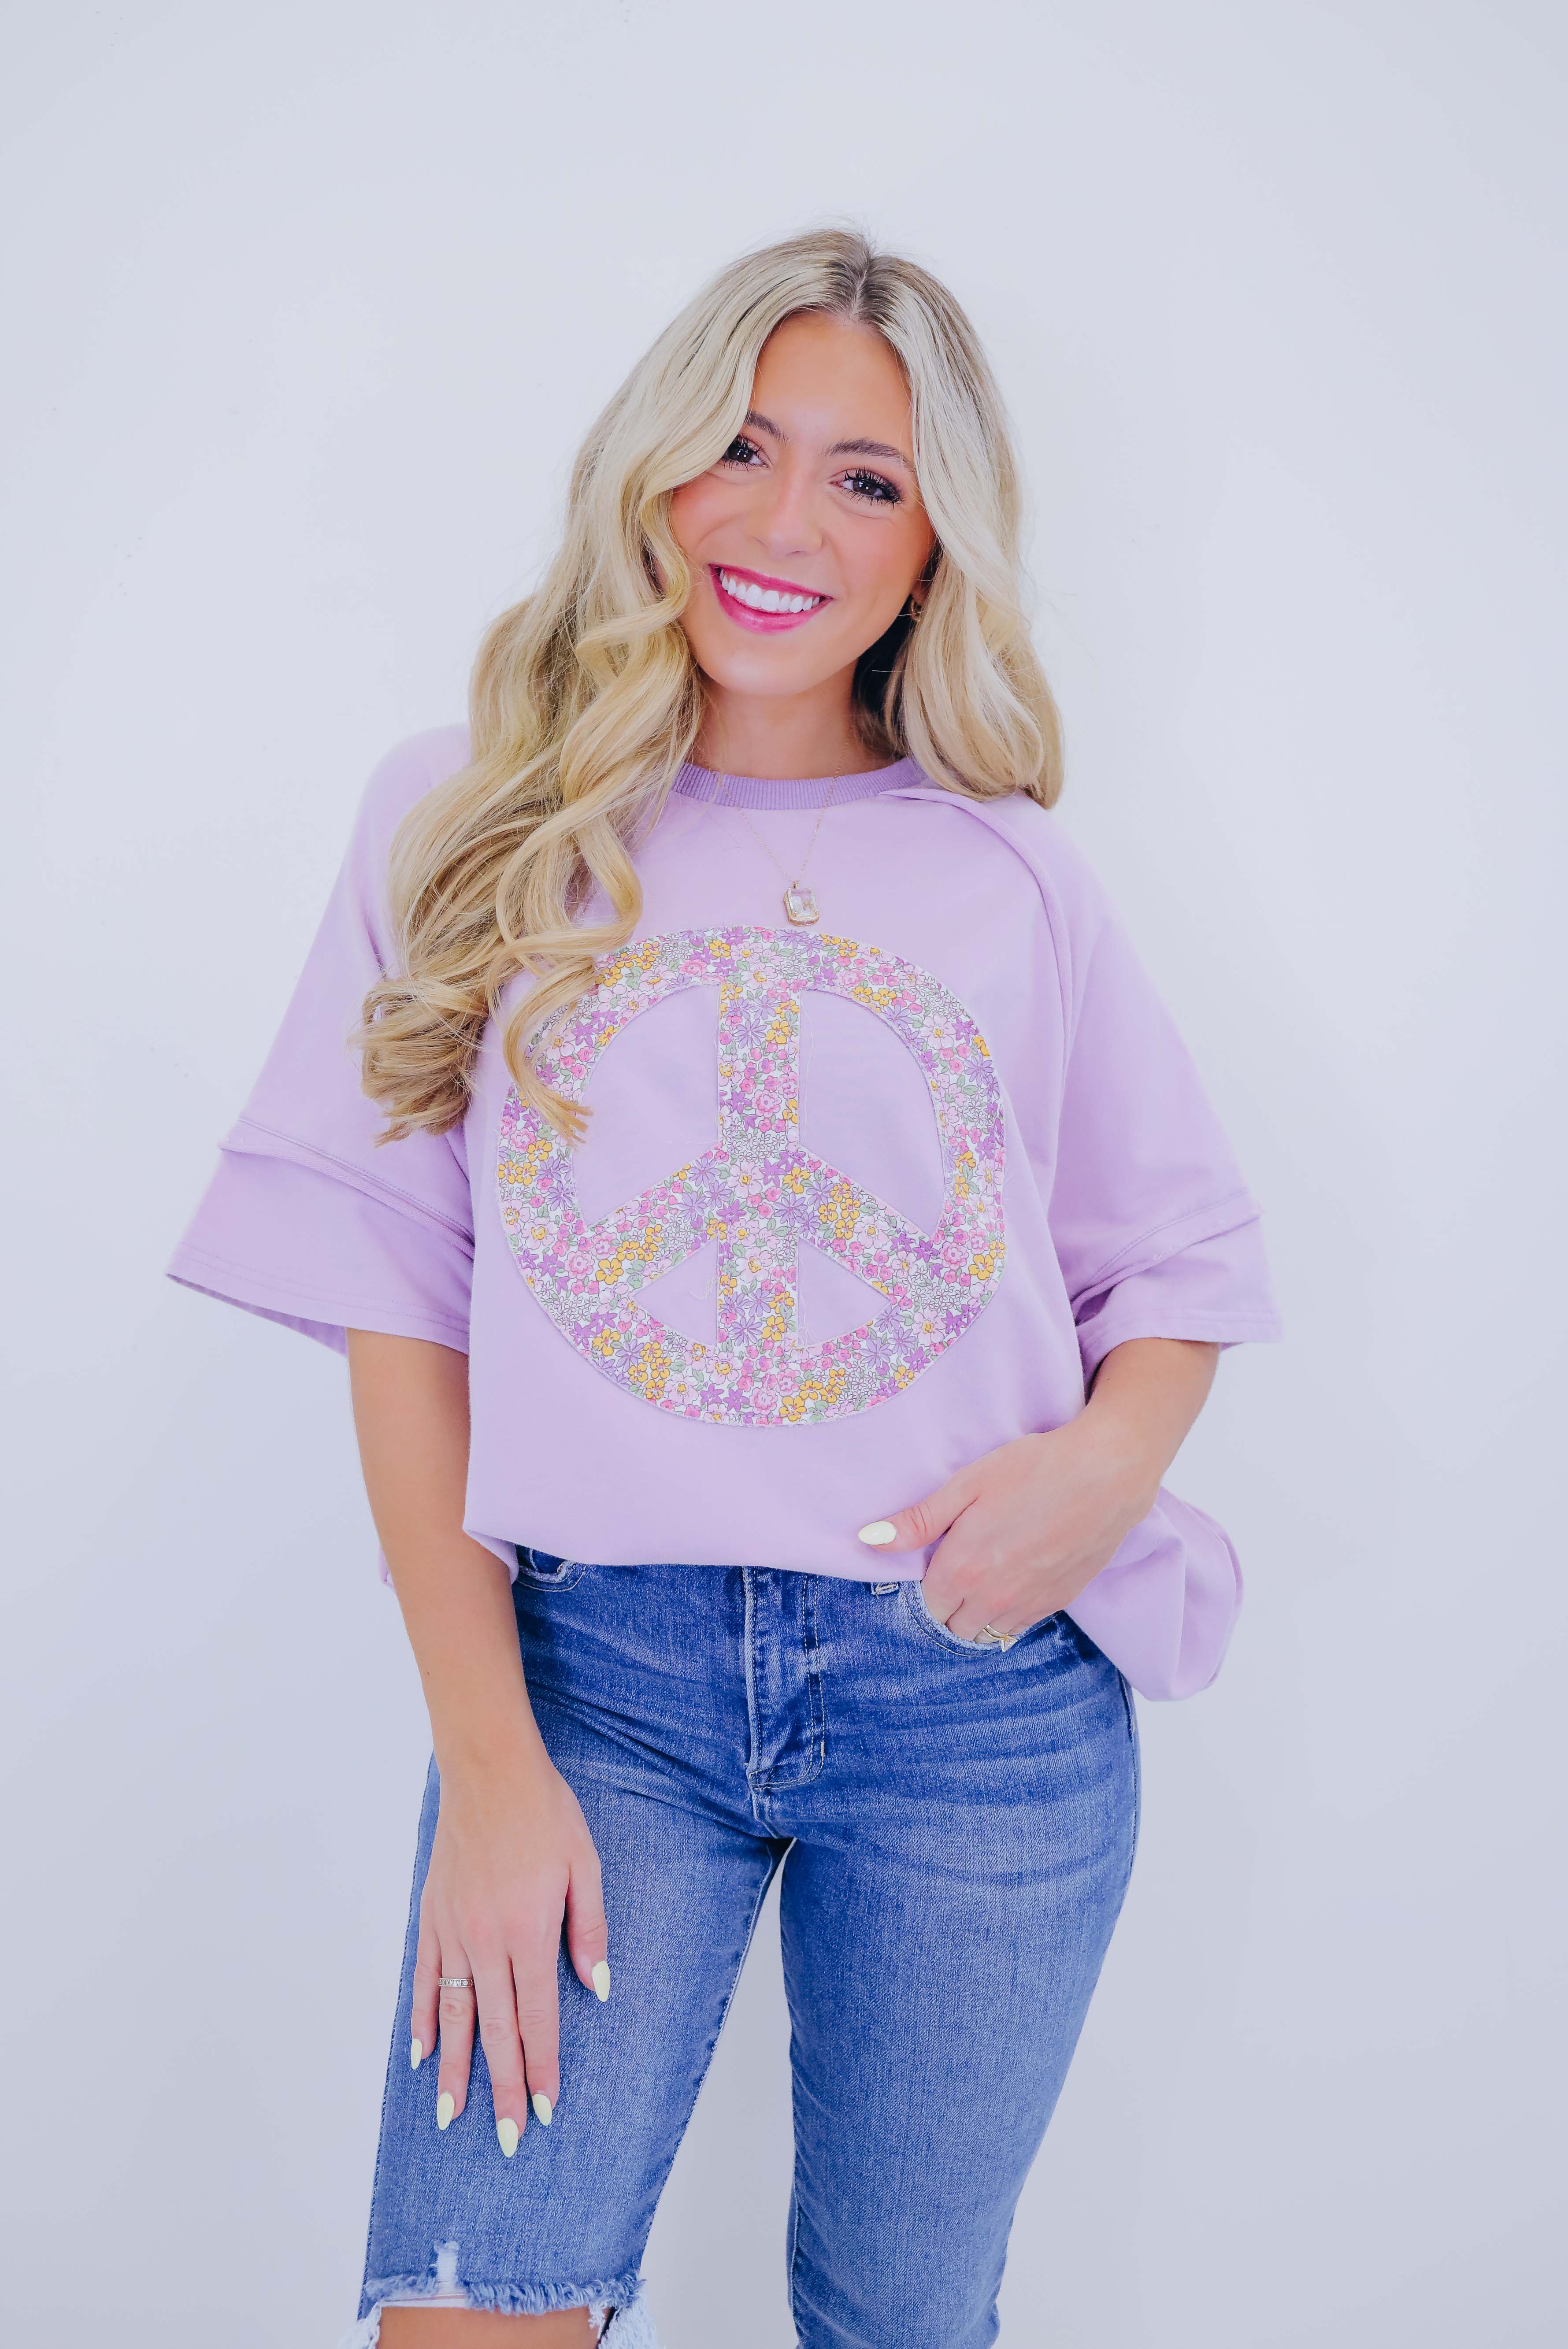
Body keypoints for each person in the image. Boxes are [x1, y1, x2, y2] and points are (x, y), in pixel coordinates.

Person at [170, 228, 1281, 2349]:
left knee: (899, 2322)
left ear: (936, 542)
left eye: (867, 479)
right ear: (652, 466)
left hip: (973, 1695)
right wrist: (489, 1768)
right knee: (470, 2307)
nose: (785, 525)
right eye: (742, 448)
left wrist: (1103, 1468)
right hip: (594, 1689)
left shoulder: (1009, 874)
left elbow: (1174, 1260)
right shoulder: (467, 821)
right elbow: (399, 1306)